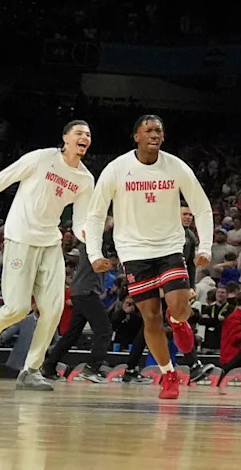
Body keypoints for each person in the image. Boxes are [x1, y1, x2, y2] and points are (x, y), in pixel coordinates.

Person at [85, 115, 215, 399]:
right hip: (134, 251)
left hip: (169, 247)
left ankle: (179, 322)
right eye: (148, 130)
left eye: (159, 130)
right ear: (136, 136)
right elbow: (95, 213)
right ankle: (169, 374)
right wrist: (94, 253)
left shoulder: (176, 166)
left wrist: (205, 246)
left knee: (178, 306)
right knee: (151, 318)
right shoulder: (117, 169)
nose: (154, 134)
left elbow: (202, 207)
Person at [0, 120, 95, 390]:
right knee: (18, 308)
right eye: (79, 133)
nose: (85, 137)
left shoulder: (85, 179)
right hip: (21, 236)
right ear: (65, 138)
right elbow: (1, 180)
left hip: (49, 242)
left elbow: (81, 221)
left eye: (88, 135)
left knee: (54, 309)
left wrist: (93, 244)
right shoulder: (40, 158)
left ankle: (30, 370)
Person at [40, 243, 112, 383]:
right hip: (87, 292)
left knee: (72, 334)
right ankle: (92, 368)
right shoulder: (95, 243)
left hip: (79, 292)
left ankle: (49, 366)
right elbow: (102, 263)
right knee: (104, 331)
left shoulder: (87, 245)